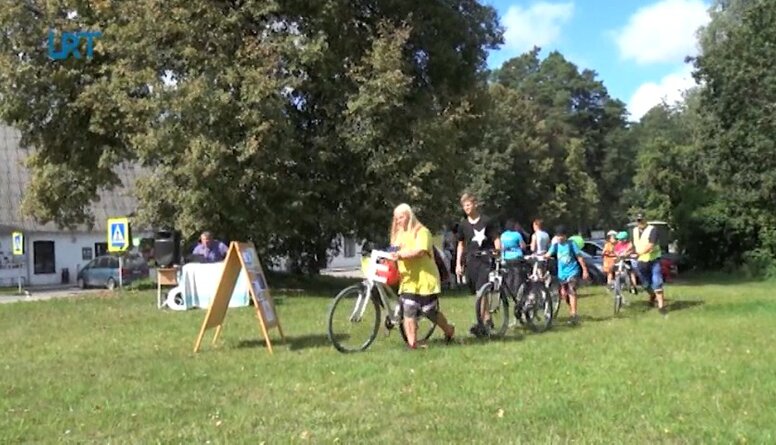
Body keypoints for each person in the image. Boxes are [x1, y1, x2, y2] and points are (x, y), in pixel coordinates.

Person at [389, 203, 456, 349]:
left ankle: (449, 330)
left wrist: (400, 255)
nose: (398, 221)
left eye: (401, 217)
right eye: (396, 218)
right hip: (408, 279)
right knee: (408, 309)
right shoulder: (398, 234)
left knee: (429, 311)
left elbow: (420, 251)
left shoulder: (422, 232)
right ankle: (412, 343)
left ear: (409, 216)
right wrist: (387, 255)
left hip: (425, 278)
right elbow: (393, 250)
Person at [455, 193, 501, 336]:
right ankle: (487, 319)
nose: (467, 208)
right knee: (478, 292)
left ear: (475, 204)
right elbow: (461, 244)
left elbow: (496, 238)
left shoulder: (487, 221)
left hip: (485, 260)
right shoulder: (463, 225)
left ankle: (480, 323)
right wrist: (458, 263)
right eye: (464, 206)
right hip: (471, 260)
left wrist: (497, 251)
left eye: (469, 204)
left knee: (482, 290)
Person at [544, 225, 589, 325]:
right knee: (564, 294)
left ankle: (573, 314)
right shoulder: (555, 246)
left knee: (571, 290)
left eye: (561, 236)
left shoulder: (571, 244)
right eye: (557, 236)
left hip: (573, 271)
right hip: (562, 274)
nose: (559, 238)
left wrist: (584, 270)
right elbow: (548, 254)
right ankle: (572, 309)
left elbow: (579, 257)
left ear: (565, 236)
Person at [632, 213, 667, 314]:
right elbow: (632, 243)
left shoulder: (652, 230)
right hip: (641, 262)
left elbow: (650, 245)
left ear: (645, 220)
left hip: (653, 259)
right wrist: (626, 252)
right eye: (638, 220)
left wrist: (638, 253)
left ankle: (661, 306)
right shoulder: (634, 231)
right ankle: (652, 295)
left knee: (657, 281)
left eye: (642, 220)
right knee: (646, 284)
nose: (640, 222)